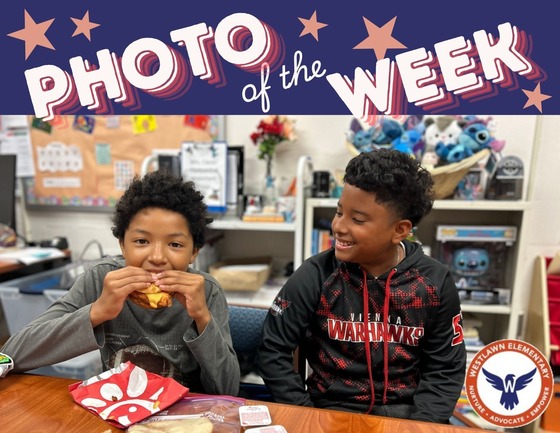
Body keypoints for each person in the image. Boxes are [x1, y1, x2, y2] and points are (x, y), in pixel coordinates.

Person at [257, 148, 466, 423]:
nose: (339, 227)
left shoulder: (433, 282)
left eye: (357, 219)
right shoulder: (316, 274)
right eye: (339, 212)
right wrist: (304, 413)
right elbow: (272, 349)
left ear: (399, 230)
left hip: (406, 416)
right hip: (328, 412)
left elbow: (445, 368)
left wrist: (421, 428)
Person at [1, 170, 240, 396]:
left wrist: (202, 317)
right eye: (141, 241)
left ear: (194, 252)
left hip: (185, 415)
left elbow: (228, 390)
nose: (157, 257)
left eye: (175, 244)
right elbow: (12, 354)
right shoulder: (101, 279)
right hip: (117, 407)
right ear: (122, 246)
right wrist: (97, 311)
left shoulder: (206, 291)